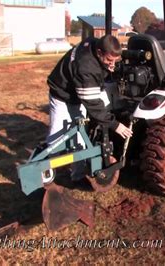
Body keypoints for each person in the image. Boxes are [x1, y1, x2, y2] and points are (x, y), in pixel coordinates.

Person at [46, 35, 132, 181]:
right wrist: (114, 125)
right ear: (99, 52)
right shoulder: (86, 66)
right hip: (62, 94)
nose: (112, 64)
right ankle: (46, 173)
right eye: (109, 60)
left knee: (80, 138)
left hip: (78, 91)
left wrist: (108, 66)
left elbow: (95, 80)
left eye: (115, 60)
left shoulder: (93, 42)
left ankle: (77, 176)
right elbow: (93, 104)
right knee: (57, 139)